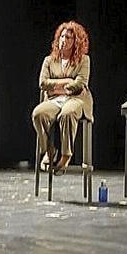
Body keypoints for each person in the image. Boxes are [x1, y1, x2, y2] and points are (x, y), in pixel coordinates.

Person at [31, 20, 93, 175]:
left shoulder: (83, 60)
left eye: (69, 38)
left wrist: (58, 88)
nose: (64, 40)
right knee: (38, 114)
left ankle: (66, 155)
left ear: (76, 42)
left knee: (67, 114)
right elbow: (43, 83)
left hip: (77, 100)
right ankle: (49, 150)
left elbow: (80, 84)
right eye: (62, 37)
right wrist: (67, 82)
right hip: (54, 101)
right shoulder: (49, 60)